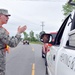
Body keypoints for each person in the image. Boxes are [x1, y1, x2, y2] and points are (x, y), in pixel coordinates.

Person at [0, 9, 27, 75]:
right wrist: (19, 33)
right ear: (0, 16)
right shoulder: (1, 31)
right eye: (6, 16)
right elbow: (12, 43)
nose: (8, 18)